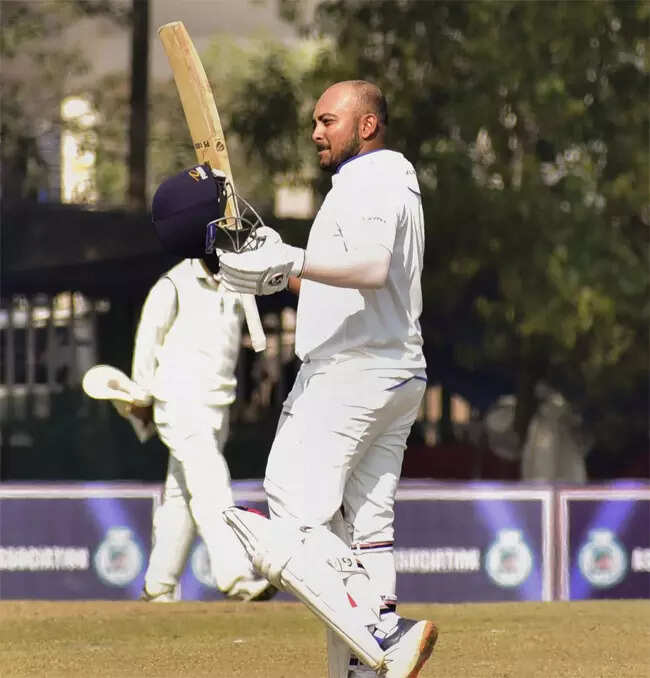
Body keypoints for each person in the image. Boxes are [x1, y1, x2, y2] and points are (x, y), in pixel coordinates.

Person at [218, 81, 437, 678]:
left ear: (367, 125)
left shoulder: (375, 176)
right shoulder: (375, 181)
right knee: (366, 527)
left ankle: (384, 633)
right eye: (315, 122)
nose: (316, 132)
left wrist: (291, 258)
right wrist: (271, 268)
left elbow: (371, 267)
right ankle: (369, 663)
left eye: (328, 121)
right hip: (390, 371)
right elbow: (343, 279)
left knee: (291, 509)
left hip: (352, 371)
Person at [129, 164, 276, 603]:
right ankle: (236, 577)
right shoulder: (173, 285)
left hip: (216, 406)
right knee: (212, 485)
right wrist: (140, 398)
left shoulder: (236, 279)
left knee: (181, 496)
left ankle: (157, 586)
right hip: (178, 403)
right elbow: (146, 345)